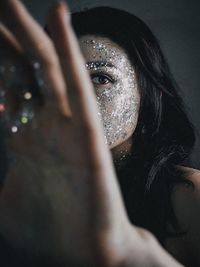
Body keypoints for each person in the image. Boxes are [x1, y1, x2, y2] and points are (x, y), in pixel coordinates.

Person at [0, 0, 199, 266]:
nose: (77, 98)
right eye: (61, 79)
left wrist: (130, 254)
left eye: (101, 78)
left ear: (146, 94)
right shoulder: (24, 197)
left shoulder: (189, 196)